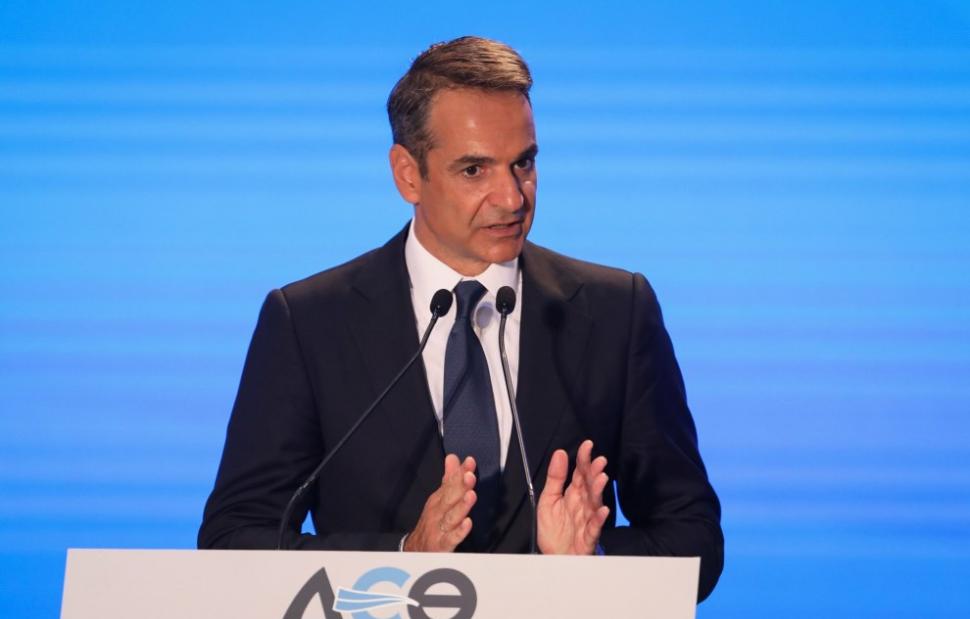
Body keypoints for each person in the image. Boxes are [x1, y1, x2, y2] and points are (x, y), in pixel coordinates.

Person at [199, 35, 723, 601]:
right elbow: (234, 541)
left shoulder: (616, 311)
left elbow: (693, 538)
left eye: (523, 163)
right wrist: (405, 557)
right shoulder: (308, 322)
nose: (512, 198)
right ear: (408, 175)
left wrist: (588, 563)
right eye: (474, 170)